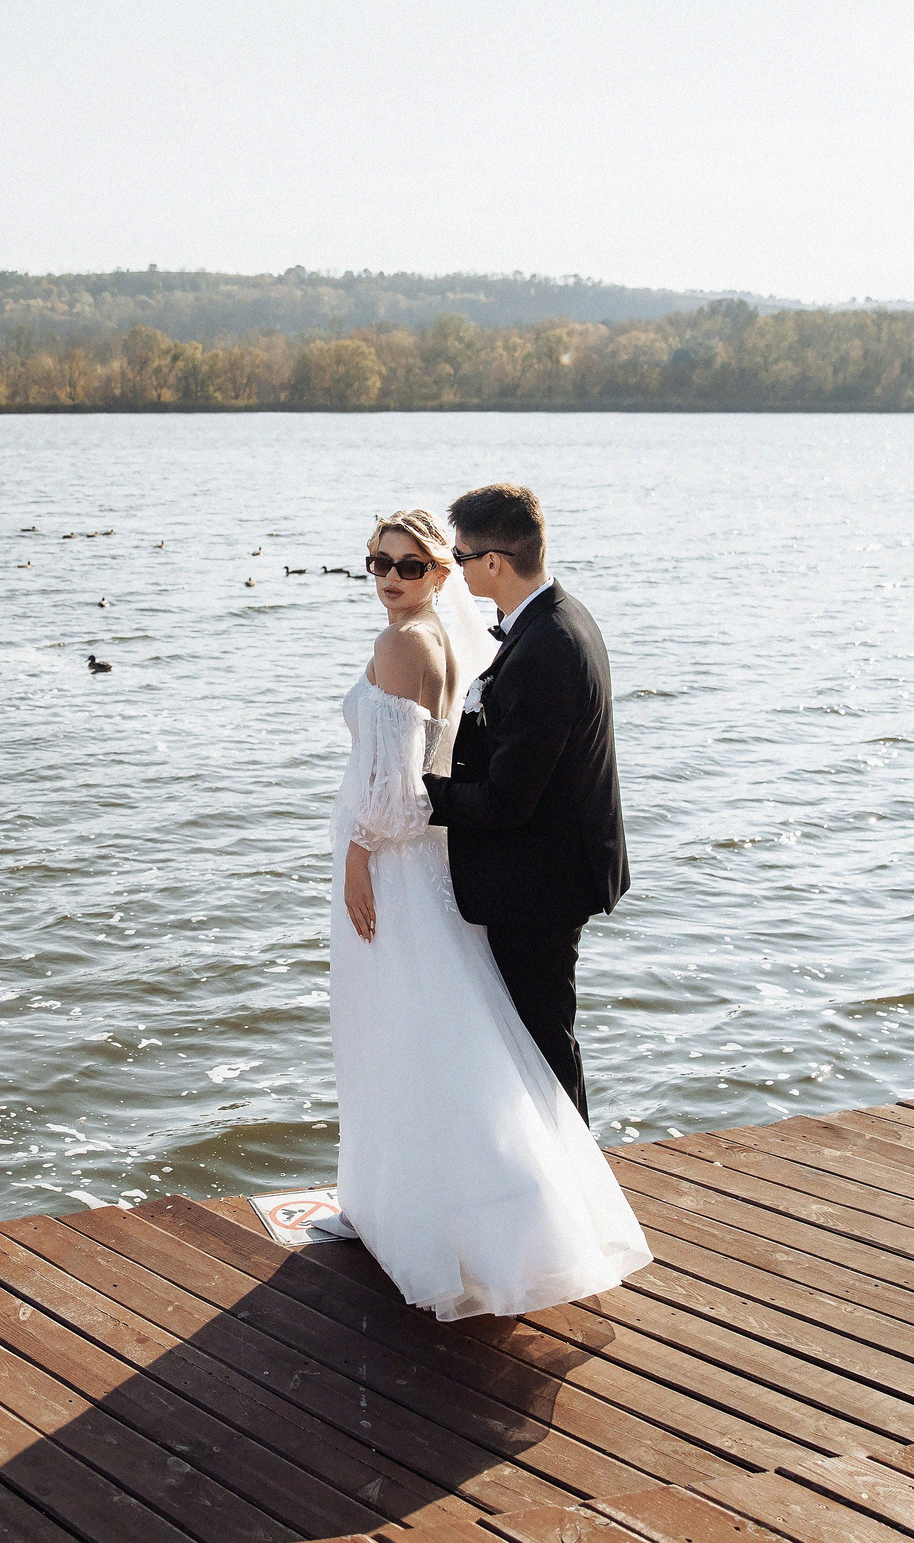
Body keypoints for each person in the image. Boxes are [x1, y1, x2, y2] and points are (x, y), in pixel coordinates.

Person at [328, 504, 649, 1321]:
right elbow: (445, 761)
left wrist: (362, 850)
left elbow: (409, 793)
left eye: (414, 565)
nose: (390, 579)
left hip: (414, 869)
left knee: (420, 1034)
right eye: (378, 563)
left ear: (450, 570)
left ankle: (542, 1212)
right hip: (448, 870)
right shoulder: (460, 641)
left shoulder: (408, 644)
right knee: (471, 1037)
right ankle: (498, 1201)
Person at [424, 483, 627, 1120]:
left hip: (541, 881)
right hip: (547, 869)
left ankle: (572, 1193)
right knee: (538, 1036)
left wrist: (423, 795)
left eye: (459, 556)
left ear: (493, 563)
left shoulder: (548, 647)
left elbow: (510, 800)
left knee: (540, 1041)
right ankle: (555, 1181)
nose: (453, 568)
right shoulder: (552, 619)